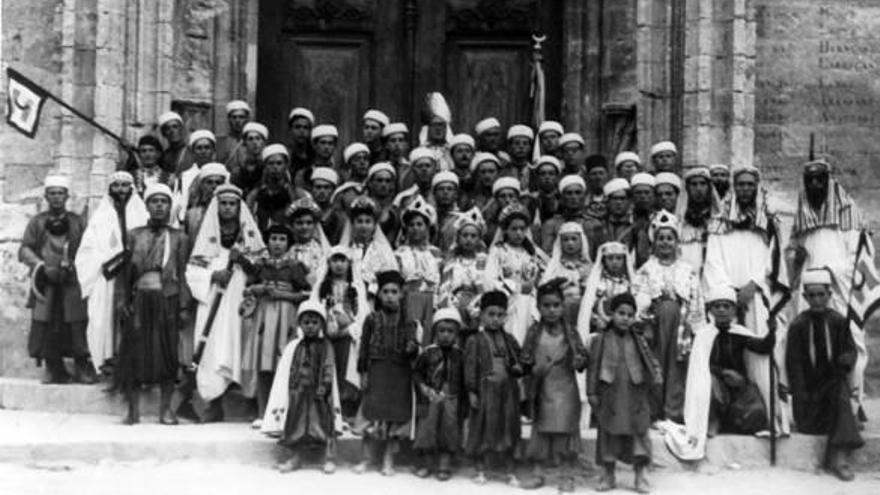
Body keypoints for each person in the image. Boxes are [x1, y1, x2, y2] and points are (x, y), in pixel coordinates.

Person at [703, 164, 790, 435]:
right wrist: (729, 295)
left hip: (757, 299)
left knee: (762, 357)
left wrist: (753, 286)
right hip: (728, 301)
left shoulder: (768, 223)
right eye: (740, 184)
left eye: (749, 184)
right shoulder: (719, 222)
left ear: (756, 187)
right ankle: (728, 418)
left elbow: (773, 262)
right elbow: (713, 261)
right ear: (733, 187)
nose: (744, 189)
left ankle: (768, 418)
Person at [662, 286, 777, 463]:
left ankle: (731, 421)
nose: (722, 310)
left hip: (738, 386)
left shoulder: (740, 334)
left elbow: (762, 348)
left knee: (757, 415)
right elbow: (699, 367)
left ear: (734, 310)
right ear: (710, 310)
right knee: (709, 385)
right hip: (715, 385)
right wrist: (722, 373)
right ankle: (713, 422)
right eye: (717, 306)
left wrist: (772, 333)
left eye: (726, 306)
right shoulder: (703, 336)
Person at [789, 159, 869, 405]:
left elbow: (858, 259)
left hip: (839, 292)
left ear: (829, 181)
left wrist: (828, 272)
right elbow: (792, 254)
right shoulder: (802, 216)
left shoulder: (848, 213)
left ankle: (852, 404)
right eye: (810, 179)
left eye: (820, 178)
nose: (815, 184)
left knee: (849, 344)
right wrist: (796, 259)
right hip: (809, 295)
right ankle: (813, 405)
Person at [186, 184, 265, 422]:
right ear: (217, 206)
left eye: (233, 204)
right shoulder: (207, 233)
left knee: (240, 343)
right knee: (211, 346)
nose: (228, 208)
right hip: (213, 299)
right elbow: (193, 269)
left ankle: (248, 403)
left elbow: (261, 268)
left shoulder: (247, 234)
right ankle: (213, 402)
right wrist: (213, 275)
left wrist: (241, 259)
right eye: (224, 204)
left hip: (240, 297)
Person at [115, 183, 191, 424]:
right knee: (134, 351)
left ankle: (165, 410)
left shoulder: (179, 237)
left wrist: (184, 307)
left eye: (164, 201)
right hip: (140, 299)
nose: (159, 206)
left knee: (167, 352)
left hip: (166, 299)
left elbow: (184, 273)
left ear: (170, 206)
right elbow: (124, 271)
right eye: (154, 201)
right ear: (146, 205)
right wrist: (122, 299)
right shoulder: (134, 235)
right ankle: (133, 410)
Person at [785, 269, 863, 481]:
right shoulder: (798, 325)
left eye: (821, 295)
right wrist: (802, 397)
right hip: (809, 400)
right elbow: (794, 367)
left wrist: (847, 358)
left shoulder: (839, 321)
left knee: (839, 392)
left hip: (832, 390)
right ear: (805, 298)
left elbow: (851, 351)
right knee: (839, 402)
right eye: (812, 296)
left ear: (829, 295)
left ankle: (839, 458)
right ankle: (836, 456)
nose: (817, 300)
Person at [75, 172, 148, 378]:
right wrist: (108, 260)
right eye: (116, 185)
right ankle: (107, 360)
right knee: (104, 318)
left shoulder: (141, 214)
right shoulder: (100, 216)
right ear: (110, 189)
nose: (121, 190)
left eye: (125, 185)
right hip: (108, 276)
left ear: (132, 189)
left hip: (134, 275)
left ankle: (132, 365)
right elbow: (87, 250)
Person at [20, 175, 91, 384]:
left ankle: (80, 367)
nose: (57, 197)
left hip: (71, 282)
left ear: (67, 196)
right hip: (46, 283)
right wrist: (41, 266)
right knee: (45, 322)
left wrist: (75, 265)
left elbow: (88, 248)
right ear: (46, 196)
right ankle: (53, 368)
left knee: (76, 322)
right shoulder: (37, 222)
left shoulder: (78, 221)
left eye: (60, 193)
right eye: (52, 193)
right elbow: (25, 248)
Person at [632, 212, 703, 423]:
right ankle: (654, 411)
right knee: (655, 365)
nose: (665, 243)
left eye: (669, 238)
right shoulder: (646, 269)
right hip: (654, 325)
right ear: (654, 241)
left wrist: (694, 327)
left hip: (680, 327)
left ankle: (673, 411)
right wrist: (649, 308)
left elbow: (696, 299)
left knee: (677, 366)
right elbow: (639, 297)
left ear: (676, 241)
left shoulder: (687, 270)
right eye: (661, 238)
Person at [588, 292, 660, 493]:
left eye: (630, 314)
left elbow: (650, 363)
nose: (625, 318)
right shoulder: (600, 339)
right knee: (608, 433)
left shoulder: (639, 340)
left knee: (639, 433)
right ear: (612, 314)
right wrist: (591, 392)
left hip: (634, 394)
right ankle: (608, 474)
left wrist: (654, 379)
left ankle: (640, 475)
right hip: (610, 394)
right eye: (621, 313)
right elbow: (593, 367)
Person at [521, 279, 589, 492]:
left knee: (565, 430)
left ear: (563, 305)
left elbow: (582, 356)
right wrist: (529, 367)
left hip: (565, 388)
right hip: (542, 388)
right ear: (538, 307)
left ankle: (566, 475)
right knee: (540, 430)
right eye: (546, 305)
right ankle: (538, 471)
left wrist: (580, 360)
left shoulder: (571, 331)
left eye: (556, 305)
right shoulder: (533, 331)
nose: (551, 310)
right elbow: (525, 358)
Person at [240, 224, 310, 427]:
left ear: (288, 244)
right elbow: (247, 289)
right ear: (267, 241)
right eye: (273, 239)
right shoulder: (261, 265)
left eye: (282, 239)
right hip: (263, 315)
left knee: (285, 362)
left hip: (286, 315)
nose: (277, 243)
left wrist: (283, 295)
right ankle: (263, 413)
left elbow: (305, 293)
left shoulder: (295, 266)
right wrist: (258, 288)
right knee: (264, 363)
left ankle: (284, 412)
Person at [261, 300, 341, 474]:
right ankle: (296, 458)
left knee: (323, 424)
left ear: (321, 324)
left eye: (315, 322)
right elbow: (287, 370)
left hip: (319, 393)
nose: (310, 326)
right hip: (298, 392)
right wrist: (291, 390)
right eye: (306, 322)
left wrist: (325, 386)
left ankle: (328, 458)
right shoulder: (294, 346)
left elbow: (328, 367)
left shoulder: (325, 346)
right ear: (300, 324)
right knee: (296, 425)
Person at [354, 270, 419, 476]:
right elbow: (363, 348)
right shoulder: (371, 319)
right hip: (377, 371)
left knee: (394, 416)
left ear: (401, 294)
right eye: (385, 291)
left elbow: (413, 345)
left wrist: (412, 347)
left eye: (394, 291)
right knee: (370, 412)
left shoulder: (409, 321)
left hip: (399, 373)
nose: (390, 296)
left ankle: (388, 459)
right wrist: (363, 373)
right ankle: (366, 458)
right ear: (379, 295)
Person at [464, 289, 524, 487]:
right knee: (484, 427)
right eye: (491, 314)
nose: (495, 319)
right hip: (485, 390)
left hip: (508, 391)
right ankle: (481, 468)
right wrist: (472, 391)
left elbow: (520, 360)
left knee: (508, 427)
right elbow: (470, 366)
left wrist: (519, 367)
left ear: (505, 317)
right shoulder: (475, 340)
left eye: (500, 315)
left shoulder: (509, 339)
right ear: (481, 315)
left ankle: (509, 469)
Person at [312, 246, 369, 419]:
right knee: (327, 367)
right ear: (329, 263)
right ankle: (325, 408)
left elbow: (362, 314)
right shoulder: (322, 286)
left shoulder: (356, 288)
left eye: (342, 260)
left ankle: (344, 408)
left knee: (346, 368)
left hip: (347, 334)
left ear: (349, 263)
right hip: (326, 333)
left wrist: (350, 328)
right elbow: (315, 306)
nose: (339, 265)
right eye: (335, 260)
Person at [413, 308, 466, 481]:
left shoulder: (460, 355)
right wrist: (423, 387)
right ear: (435, 331)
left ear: (457, 333)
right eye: (441, 330)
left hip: (452, 398)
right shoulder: (428, 352)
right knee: (427, 430)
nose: (445, 335)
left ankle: (444, 465)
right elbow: (417, 373)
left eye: (450, 331)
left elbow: (465, 378)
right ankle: (427, 464)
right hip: (430, 398)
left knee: (449, 430)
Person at [484, 203, 546, 343]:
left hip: (530, 305)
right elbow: (489, 281)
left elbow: (541, 279)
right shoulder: (499, 252)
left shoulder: (532, 254)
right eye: (514, 229)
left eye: (522, 229)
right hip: (509, 304)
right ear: (505, 230)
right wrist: (516, 287)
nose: (519, 233)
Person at [395, 196, 442, 345]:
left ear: (427, 227)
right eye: (411, 225)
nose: (415, 228)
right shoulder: (399, 253)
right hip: (409, 303)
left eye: (420, 224)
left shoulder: (437, 253)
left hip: (433, 302)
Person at [437, 208, 488, 340]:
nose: (469, 240)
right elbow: (445, 288)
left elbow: (487, 286)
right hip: (454, 305)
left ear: (479, 239)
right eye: (465, 235)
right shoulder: (451, 262)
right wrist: (453, 306)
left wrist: (474, 308)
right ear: (458, 238)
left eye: (473, 236)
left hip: (478, 306)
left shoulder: (484, 261)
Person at [540, 222, 592, 328]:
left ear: (581, 241)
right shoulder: (553, 267)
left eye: (574, 239)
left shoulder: (590, 268)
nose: (570, 243)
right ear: (560, 243)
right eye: (566, 240)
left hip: (584, 314)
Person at [246, 144, 307, 233]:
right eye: (271, 163)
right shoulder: (254, 195)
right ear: (265, 166)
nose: (275, 167)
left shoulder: (297, 193)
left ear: (286, 165)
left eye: (279, 163)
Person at [675, 166, 722, 274]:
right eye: (694, 184)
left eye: (702, 184)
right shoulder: (679, 222)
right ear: (687, 188)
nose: (698, 188)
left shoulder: (719, 221)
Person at [172, 129, 216, 226]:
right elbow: (177, 206)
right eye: (199, 148)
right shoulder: (184, 177)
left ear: (213, 150)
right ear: (192, 151)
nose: (203, 151)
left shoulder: (224, 174)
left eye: (207, 147)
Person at [183, 162, 229, 250]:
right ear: (202, 185)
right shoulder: (191, 215)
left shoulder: (235, 213)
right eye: (209, 182)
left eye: (218, 182)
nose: (214, 186)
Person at [286, 196, 329, 288]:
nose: (304, 227)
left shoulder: (322, 250)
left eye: (309, 223)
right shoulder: (289, 251)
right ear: (292, 226)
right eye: (299, 223)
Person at [228, 122, 268, 197]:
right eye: (250, 139)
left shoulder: (269, 165)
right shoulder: (239, 170)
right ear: (245, 143)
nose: (254, 142)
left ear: (263, 142)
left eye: (258, 138)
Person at [418, 93, 455, 172]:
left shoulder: (453, 152)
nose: (438, 129)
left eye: (441, 125)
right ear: (428, 128)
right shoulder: (420, 152)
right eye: (434, 125)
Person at [365, 162, 401, 240]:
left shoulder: (396, 212)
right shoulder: (362, 208)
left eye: (387, 181)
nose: (383, 184)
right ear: (370, 183)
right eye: (379, 180)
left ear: (392, 185)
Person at [311, 167, 345, 245]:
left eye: (326, 187)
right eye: (318, 187)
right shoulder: (305, 211)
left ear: (333, 190)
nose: (322, 191)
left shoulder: (340, 216)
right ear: (312, 189)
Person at [630, 173, 656, 268]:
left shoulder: (659, 219)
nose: (643, 196)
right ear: (632, 196)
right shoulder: (628, 220)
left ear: (653, 195)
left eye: (647, 192)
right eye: (638, 193)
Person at [432, 171, 462, 252]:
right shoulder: (429, 216)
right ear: (434, 193)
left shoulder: (462, 220)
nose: (445, 192)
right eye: (441, 189)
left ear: (456, 194)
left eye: (450, 189)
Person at [216, 100, 251, 164]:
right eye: (234, 117)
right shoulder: (220, 143)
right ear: (229, 119)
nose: (237, 120)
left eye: (241, 117)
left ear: (247, 119)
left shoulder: (252, 141)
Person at [286, 107, 316, 181]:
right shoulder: (285, 155)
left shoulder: (315, 156)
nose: (301, 131)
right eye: (297, 127)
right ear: (290, 129)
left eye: (305, 127)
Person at [530, 155, 562, 221]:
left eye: (551, 174)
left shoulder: (563, 199)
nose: (547, 177)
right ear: (537, 177)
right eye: (543, 174)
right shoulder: (531, 200)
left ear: (557, 177)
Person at [448, 133, 476, 198]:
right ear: (452, 155)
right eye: (459, 151)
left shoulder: (477, 177)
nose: (464, 155)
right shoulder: (448, 177)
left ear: (473, 155)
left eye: (467, 151)